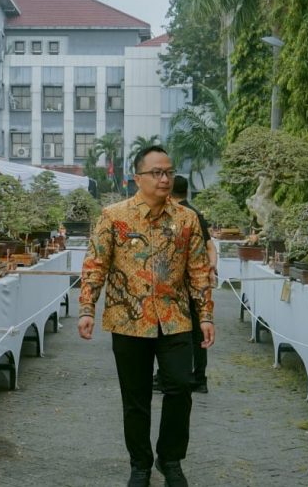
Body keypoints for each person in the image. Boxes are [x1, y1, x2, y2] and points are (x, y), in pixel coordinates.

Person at [78, 145, 215, 487]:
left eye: (169, 172)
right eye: (156, 173)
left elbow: (199, 269)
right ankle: (140, 463)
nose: (165, 178)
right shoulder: (114, 216)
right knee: (135, 397)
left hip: (175, 318)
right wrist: (86, 309)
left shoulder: (187, 219)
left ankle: (170, 459)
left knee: (182, 385)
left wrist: (207, 316)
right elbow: (96, 264)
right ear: (137, 177)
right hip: (127, 320)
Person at [154, 174, 215, 393]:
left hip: (178, 285)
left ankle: (168, 377)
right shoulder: (196, 214)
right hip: (196, 283)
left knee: (171, 331)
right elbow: (210, 247)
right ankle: (198, 378)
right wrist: (210, 270)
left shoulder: (178, 216)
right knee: (198, 332)